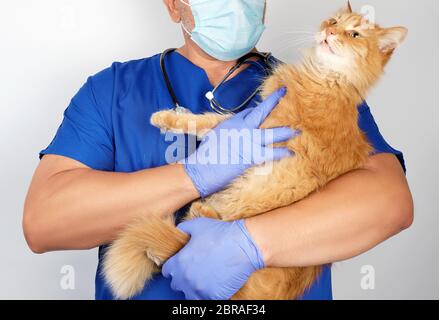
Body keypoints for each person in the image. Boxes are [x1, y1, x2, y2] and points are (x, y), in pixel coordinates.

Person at [23, 0, 413, 300]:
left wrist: (251, 243)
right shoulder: (110, 90)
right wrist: (193, 175)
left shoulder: (326, 90)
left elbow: (390, 201)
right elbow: (45, 222)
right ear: (174, 5)